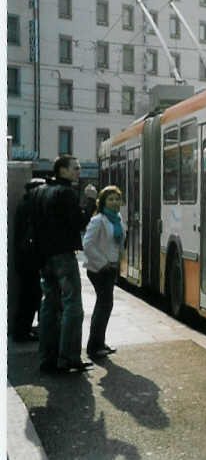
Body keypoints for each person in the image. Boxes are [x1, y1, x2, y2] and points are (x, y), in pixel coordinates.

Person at [34, 155, 96, 373]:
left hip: (45, 256)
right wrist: (90, 201)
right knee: (73, 306)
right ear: (62, 170)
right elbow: (79, 222)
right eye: (75, 168)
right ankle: (69, 357)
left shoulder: (40, 191)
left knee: (49, 305)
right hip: (63, 256)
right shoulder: (67, 193)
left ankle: (46, 358)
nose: (79, 171)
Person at [82, 185, 125, 359]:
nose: (115, 202)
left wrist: (119, 263)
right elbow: (87, 244)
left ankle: (99, 343)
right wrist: (103, 262)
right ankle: (94, 346)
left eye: (117, 199)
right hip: (99, 269)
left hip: (111, 267)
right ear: (102, 202)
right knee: (104, 305)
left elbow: (119, 243)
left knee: (105, 305)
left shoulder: (117, 219)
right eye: (111, 199)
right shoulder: (98, 220)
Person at [11, 178, 46, 342]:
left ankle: (23, 331)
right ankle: (23, 332)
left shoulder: (24, 204)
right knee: (30, 297)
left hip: (25, 260)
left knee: (29, 296)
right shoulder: (31, 207)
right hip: (30, 261)